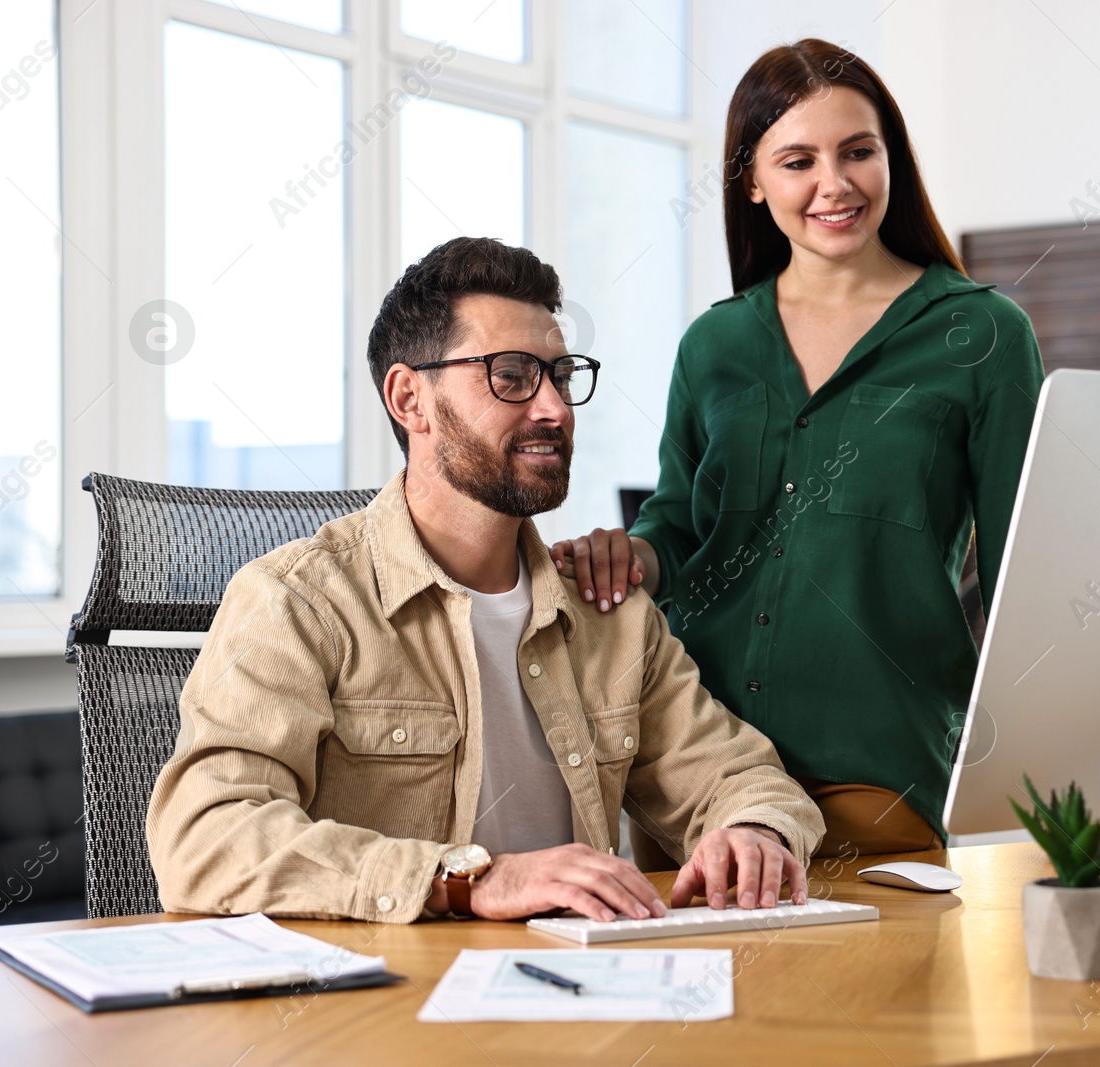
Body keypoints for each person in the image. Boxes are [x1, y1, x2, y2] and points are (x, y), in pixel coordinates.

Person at [553, 40, 1100, 872]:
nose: (835, 183)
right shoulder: (713, 343)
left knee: (882, 1000)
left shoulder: (984, 336)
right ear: (753, 182)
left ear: (891, 158)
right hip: (697, 774)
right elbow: (678, 527)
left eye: (858, 152)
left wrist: (1084, 796)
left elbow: (1027, 581)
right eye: (798, 160)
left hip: (876, 771)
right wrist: (630, 553)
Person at [147, 237, 826, 925]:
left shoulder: (607, 612)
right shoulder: (296, 601)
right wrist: (469, 878)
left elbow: (742, 776)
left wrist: (754, 834)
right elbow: (205, 840)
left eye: (561, 376)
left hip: (582, 996)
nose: (555, 409)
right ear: (410, 398)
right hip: (383, 1012)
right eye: (510, 375)